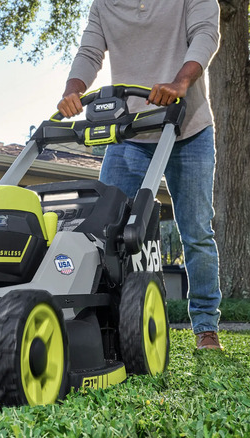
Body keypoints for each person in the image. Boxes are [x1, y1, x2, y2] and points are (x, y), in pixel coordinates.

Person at [57, 0, 223, 350]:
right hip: (129, 133)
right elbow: (89, 51)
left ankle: (206, 326)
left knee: (195, 231)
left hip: (187, 130)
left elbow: (205, 35)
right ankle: (107, 323)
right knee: (102, 228)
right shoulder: (104, 4)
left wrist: (181, 82)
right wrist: (72, 89)